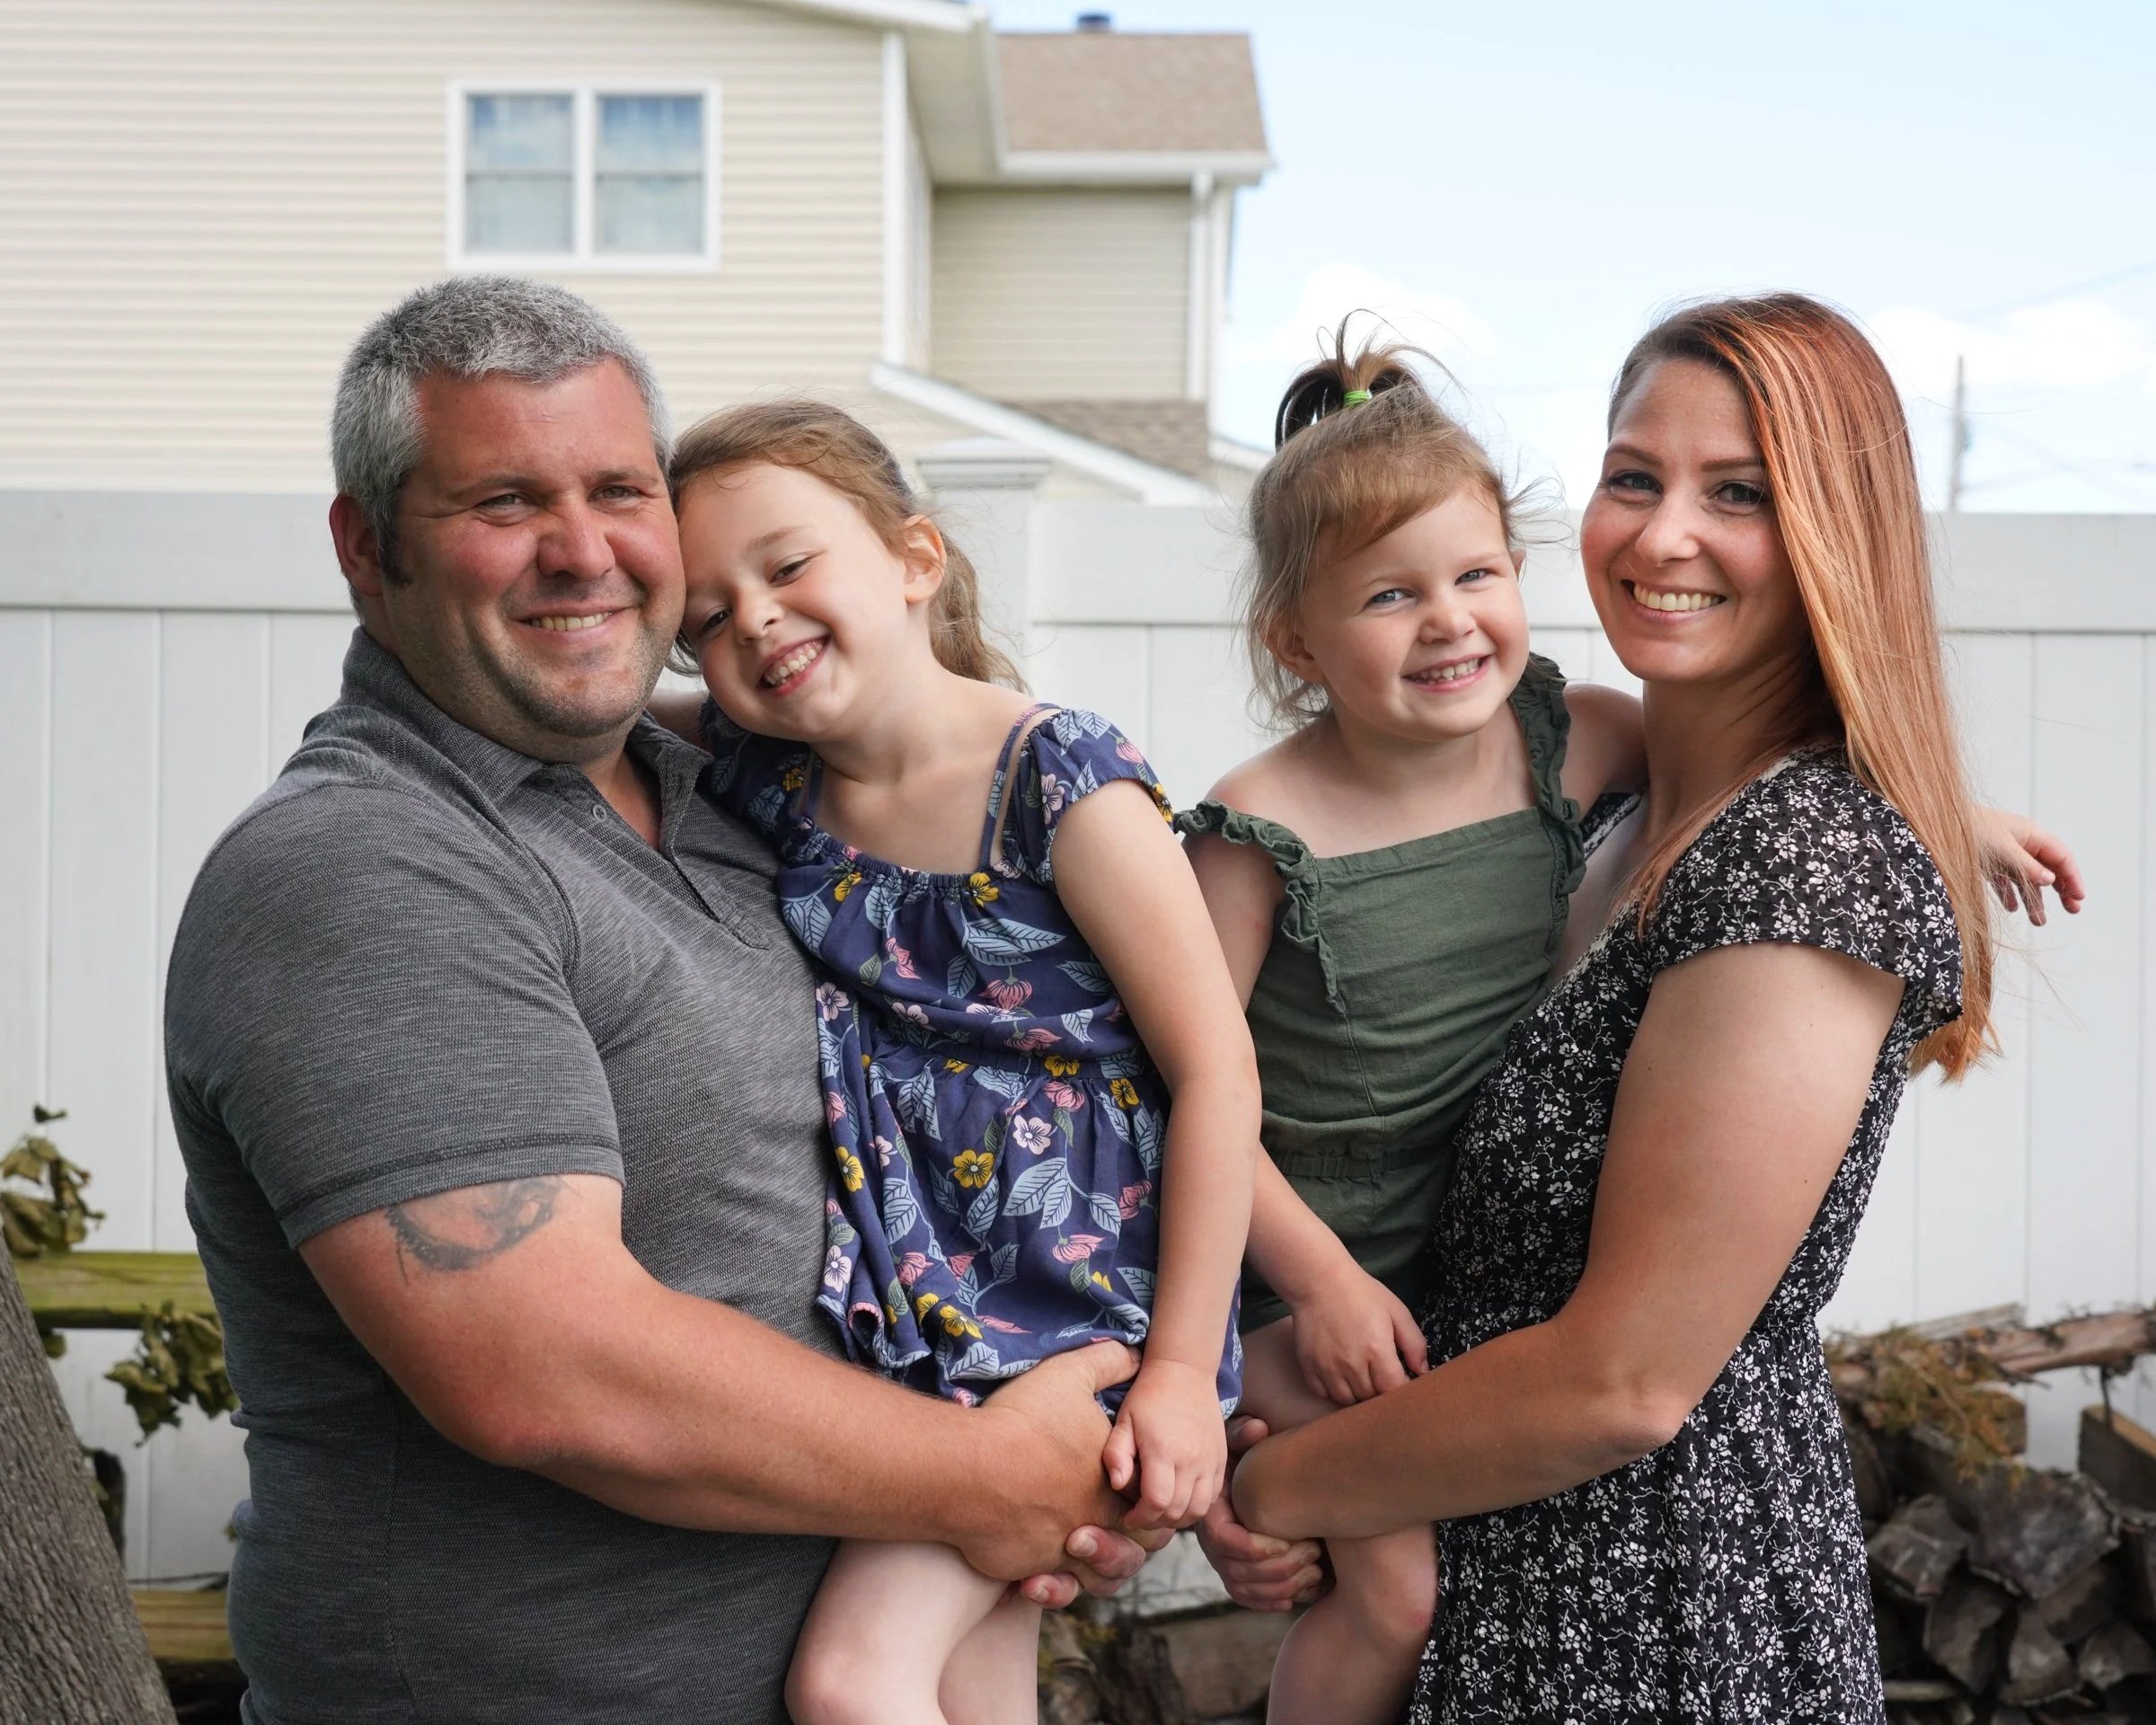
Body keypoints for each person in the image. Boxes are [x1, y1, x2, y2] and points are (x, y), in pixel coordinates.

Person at [162, 277, 1159, 1725]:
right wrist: (995, 1476)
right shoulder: (365, 862)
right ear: (367, 546)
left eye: (620, 491)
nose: (584, 552)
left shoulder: (751, 796)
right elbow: (543, 1370)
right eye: (505, 501)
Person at [1203, 292, 2059, 1721]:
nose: (1664, 536)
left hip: (1656, 1611)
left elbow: (1626, 1384)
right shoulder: (1604, 809)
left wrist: (1277, 1489)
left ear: (1834, 534)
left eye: (1739, 493)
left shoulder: (1801, 863)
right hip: (1485, 1562)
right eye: (1633, 477)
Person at [654, 401, 1256, 1725]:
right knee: (970, 1694)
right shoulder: (776, 781)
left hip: (1076, 1312)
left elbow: (1217, 1074)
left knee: (851, 1682)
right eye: (707, 616)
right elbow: (590, 710)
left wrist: (1177, 1375)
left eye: (788, 565)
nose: (754, 619)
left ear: (914, 558)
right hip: (931, 1311)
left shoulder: (1058, 779)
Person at [1177, 333, 1648, 1725]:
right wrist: (1316, 1284)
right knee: (1393, 1597)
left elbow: (1769, 772)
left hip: (1473, 1266)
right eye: (1391, 595)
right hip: (1292, 1276)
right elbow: (1180, 1091)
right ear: (1296, 639)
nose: (1449, 622)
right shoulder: (1258, 826)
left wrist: (1945, 815)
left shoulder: (1576, 738)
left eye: (1475, 576)